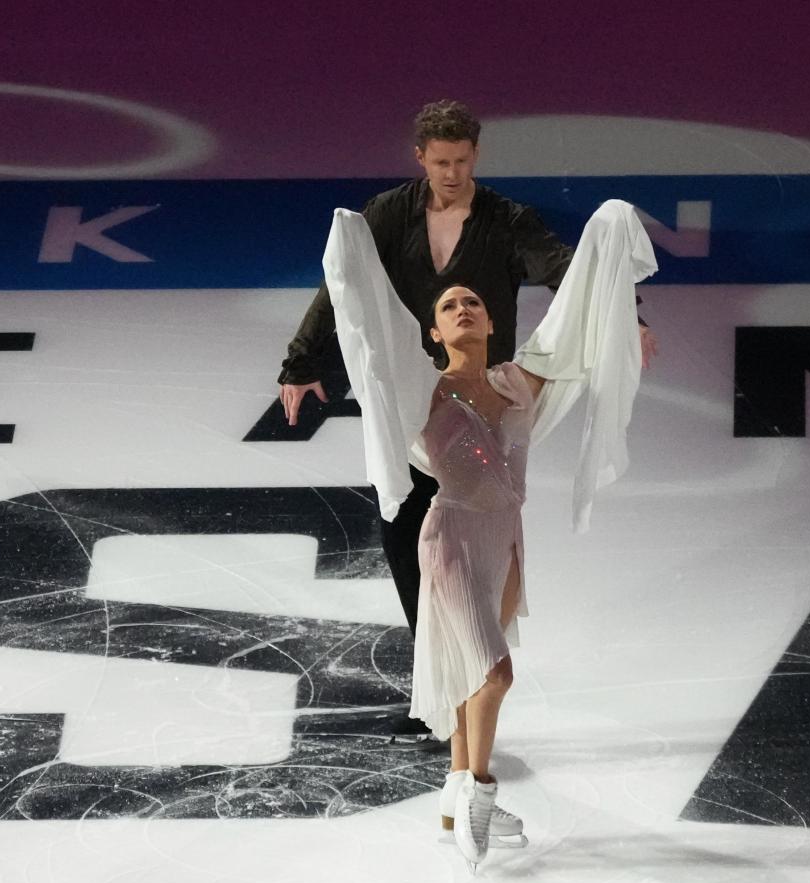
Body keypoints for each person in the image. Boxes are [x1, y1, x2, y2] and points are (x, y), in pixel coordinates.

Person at [278, 100, 658, 741]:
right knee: (404, 536)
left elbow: (569, 274)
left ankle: (468, 682)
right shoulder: (389, 214)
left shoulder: (508, 222)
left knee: (474, 538)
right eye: (440, 161)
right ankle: (443, 684)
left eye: (462, 161)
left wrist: (630, 314)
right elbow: (342, 285)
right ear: (420, 156)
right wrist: (301, 360)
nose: (451, 173)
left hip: (480, 401)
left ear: (474, 156)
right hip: (413, 399)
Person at [323, 199, 657, 870]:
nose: (463, 307)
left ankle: (454, 804)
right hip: (448, 540)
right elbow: (373, 334)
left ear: (493, 320)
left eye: (473, 300)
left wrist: (610, 248)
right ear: (436, 332)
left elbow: (571, 322)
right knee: (492, 671)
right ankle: (476, 788)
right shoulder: (426, 393)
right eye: (449, 306)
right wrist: (355, 251)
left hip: (506, 545)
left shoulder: (517, 384)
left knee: (466, 678)